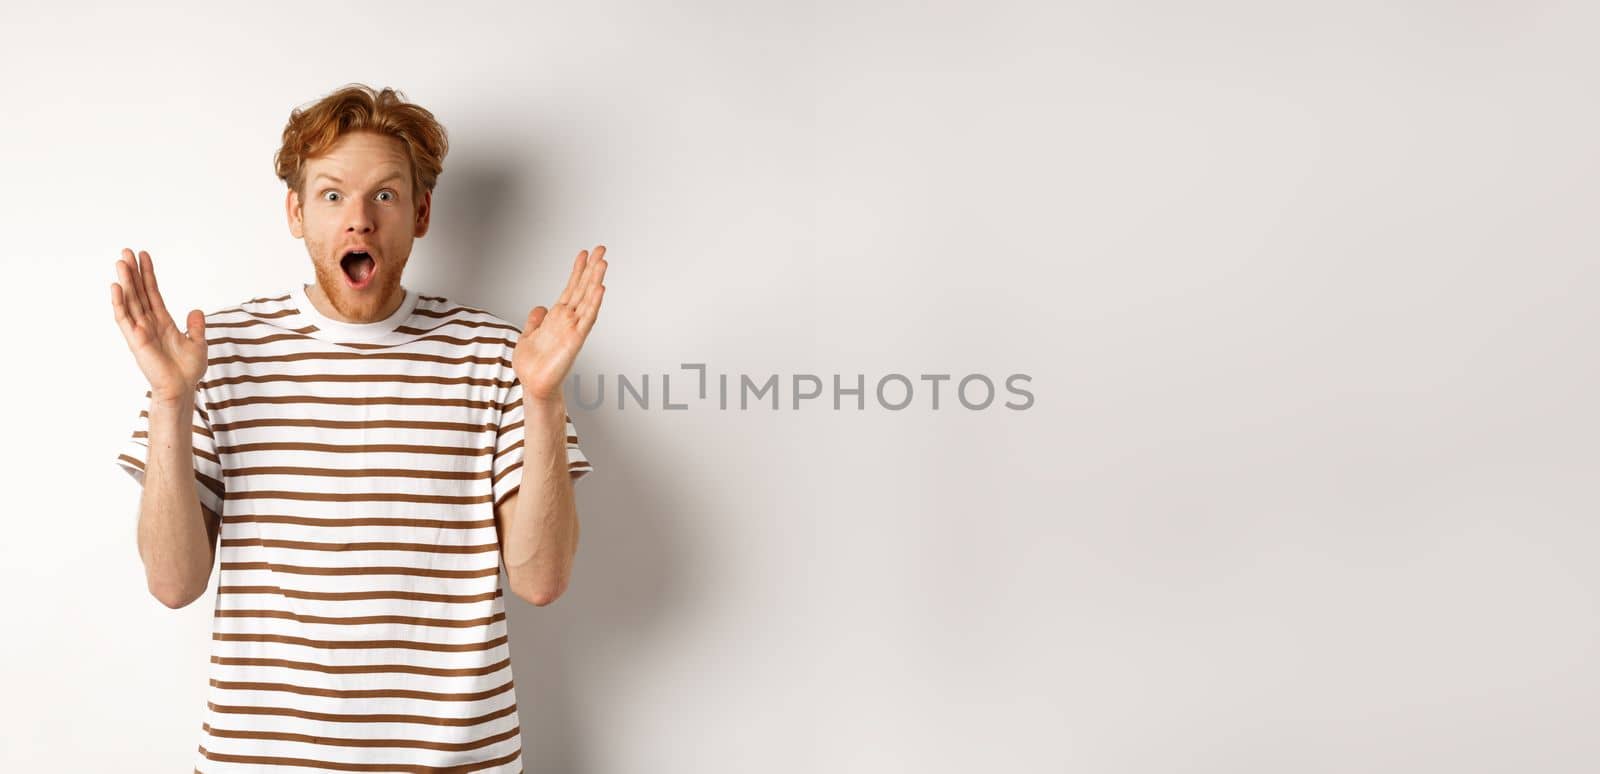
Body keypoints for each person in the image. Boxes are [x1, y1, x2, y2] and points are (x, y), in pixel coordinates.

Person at [109, 83, 608, 773]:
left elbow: (542, 580)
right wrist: (170, 398)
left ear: (421, 211)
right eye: (332, 195)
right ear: (296, 211)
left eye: (385, 195)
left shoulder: (505, 358)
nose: (360, 221)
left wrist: (543, 398)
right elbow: (173, 584)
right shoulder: (208, 357)